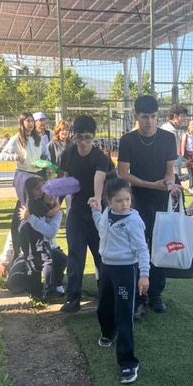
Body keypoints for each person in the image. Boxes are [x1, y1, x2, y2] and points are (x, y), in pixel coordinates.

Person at [118, 94, 181, 319]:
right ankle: (138, 298)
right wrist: (150, 184)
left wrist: (170, 183)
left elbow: (169, 170)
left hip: (160, 202)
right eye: (145, 117)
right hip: (135, 202)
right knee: (136, 248)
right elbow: (123, 174)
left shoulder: (167, 138)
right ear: (136, 115)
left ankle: (155, 294)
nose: (150, 121)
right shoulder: (127, 140)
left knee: (159, 248)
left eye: (154, 116)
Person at [89, 178, 149, 384]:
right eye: (119, 201)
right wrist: (95, 210)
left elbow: (142, 249)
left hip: (126, 271)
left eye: (127, 199)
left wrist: (144, 274)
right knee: (104, 308)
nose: (124, 204)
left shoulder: (133, 221)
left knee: (124, 316)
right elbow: (101, 226)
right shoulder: (107, 212)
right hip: (107, 268)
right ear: (108, 201)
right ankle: (108, 333)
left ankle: (128, 363)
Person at [59, 115, 112, 313]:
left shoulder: (100, 158)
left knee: (102, 255)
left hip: (97, 213)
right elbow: (64, 180)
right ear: (74, 136)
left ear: (94, 137)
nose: (83, 142)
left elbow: (99, 177)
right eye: (79, 137)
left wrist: (97, 198)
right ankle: (73, 298)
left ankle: (106, 295)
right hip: (77, 211)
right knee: (75, 254)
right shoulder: (68, 154)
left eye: (87, 138)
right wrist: (55, 204)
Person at [0, 176, 66, 301]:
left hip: (45, 246)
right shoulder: (28, 206)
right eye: (48, 192)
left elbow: (50, 232)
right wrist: (4, 259)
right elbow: (14, 234)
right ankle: (37, 289)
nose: (53, 197)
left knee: (56, 258)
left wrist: (31, 218)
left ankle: (54, 286)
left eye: (55, 194)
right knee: (16, 282)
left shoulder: (53, 211)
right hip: (27, 250)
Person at [160, 103, 188, 178]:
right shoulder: (171, 132)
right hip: (168, 173)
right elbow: (171, 156)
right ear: (175, 116)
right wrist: (184, 163)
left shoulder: (164, 128)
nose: (184, 119)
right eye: (183, 116)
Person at [181, 119, 193, 194]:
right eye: (192, 124)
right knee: (192, 172)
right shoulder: (185, 135)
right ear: (188, 126)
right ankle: (191, 188)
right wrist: (183, 158)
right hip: (188, 156)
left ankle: (179, 179)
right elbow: (183, 146)